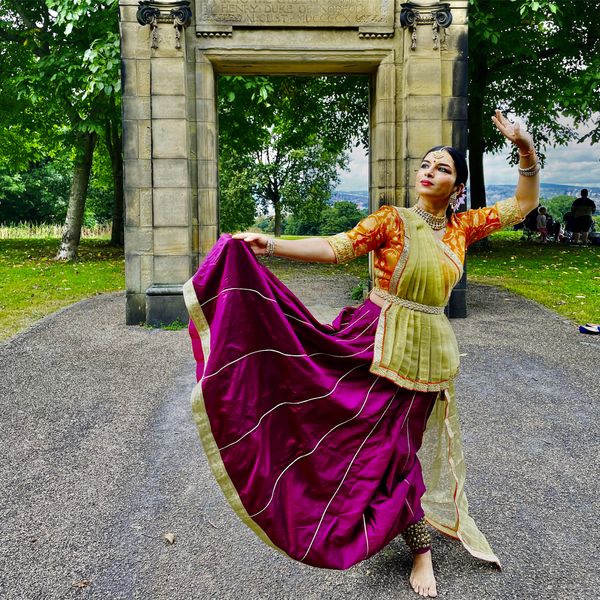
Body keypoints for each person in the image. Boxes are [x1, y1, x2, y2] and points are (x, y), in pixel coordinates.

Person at [183, 110, 540, 598]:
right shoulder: (392, 221)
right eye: (426, 164)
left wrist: (524, 148)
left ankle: (416, 547)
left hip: (429, 358)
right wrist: (271, 244)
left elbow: (523, 203)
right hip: (373, 345)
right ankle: (402, 541)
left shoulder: (463, 228)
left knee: (399, 449)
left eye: (443, 168)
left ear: (457, 188)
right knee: (364, 443)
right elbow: (337, 247)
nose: (429, 171)